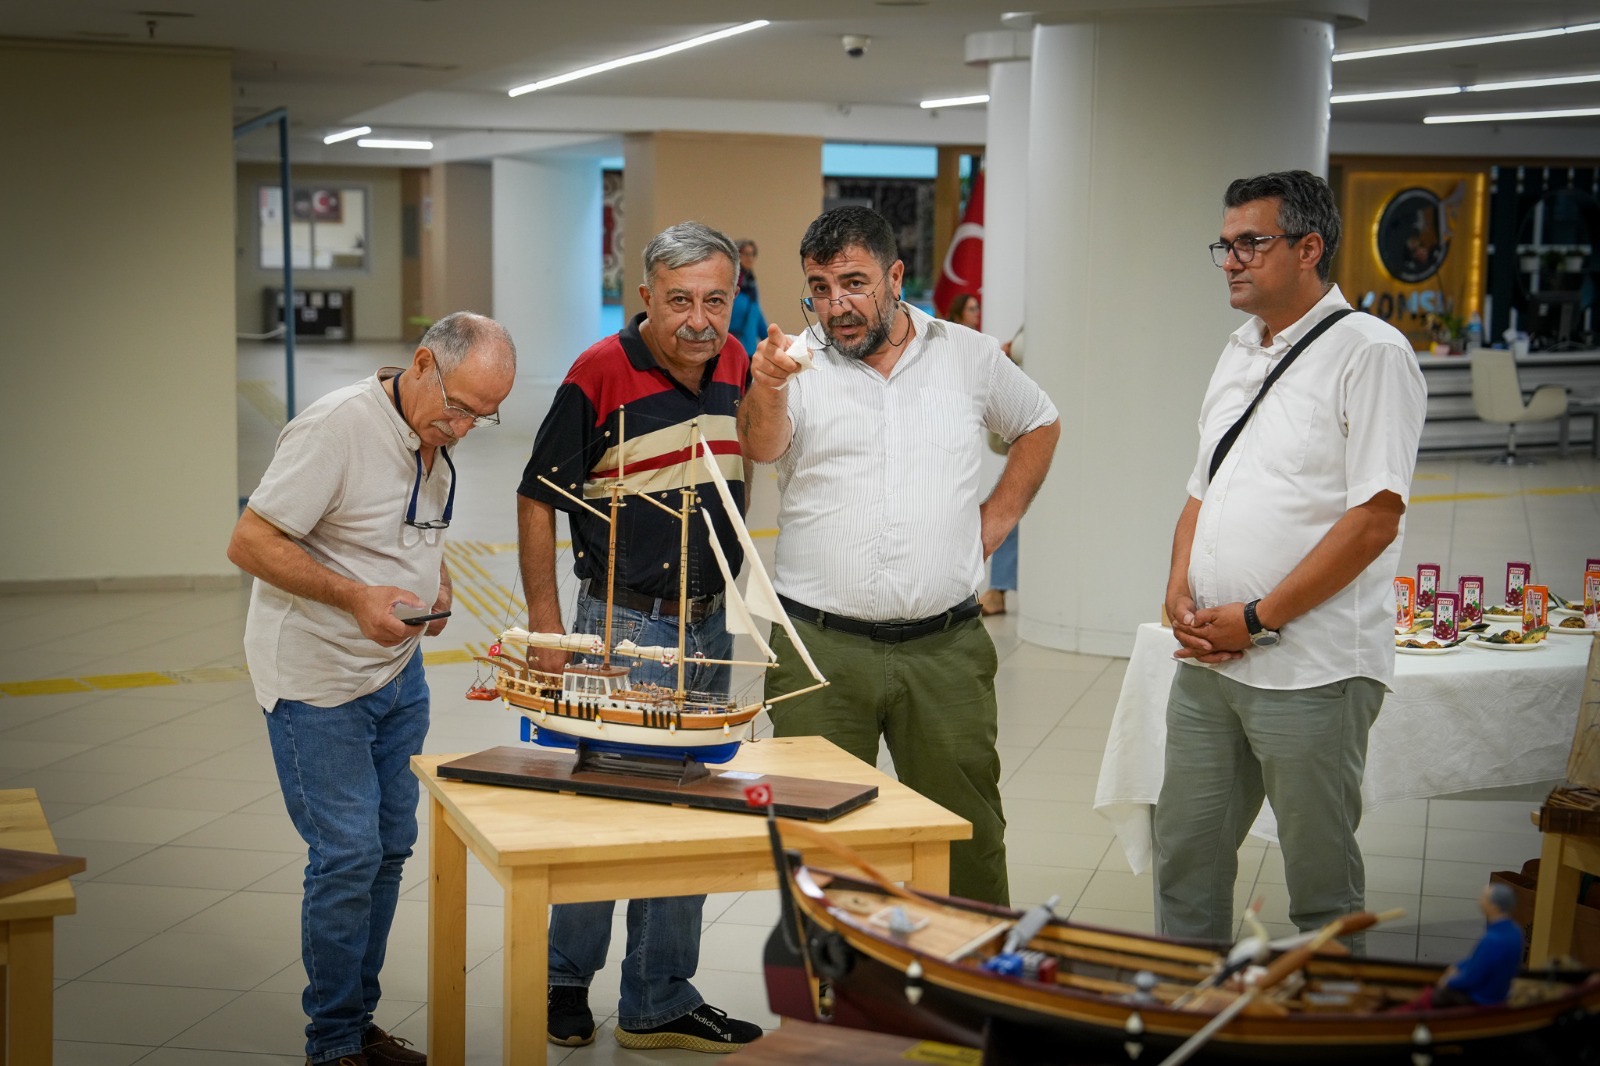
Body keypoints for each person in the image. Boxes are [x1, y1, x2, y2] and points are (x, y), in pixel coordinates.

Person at [739, 205, 1060, 906]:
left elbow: (1039, 422)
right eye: (819, 289)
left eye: (853, 283)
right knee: (817, 844)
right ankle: (831, 1001)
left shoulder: (970, 356)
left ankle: (972, 995)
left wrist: (995, 521)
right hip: (818, 649)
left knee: (964, 834)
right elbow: (761, 448)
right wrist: (766, 386)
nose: (836, 306)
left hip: (943, 648)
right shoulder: (797, 362)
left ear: (894, 276)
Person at [228, 312, 517, 1066]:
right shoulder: (336, 429)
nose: (464, 427)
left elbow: (416, 528)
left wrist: (439, 579)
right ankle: (331, 1044)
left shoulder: (434, 432)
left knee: (390, 850)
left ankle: (358, 1025)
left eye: (484, 417)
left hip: (396, 674)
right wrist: (357, 598)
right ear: (423, 363)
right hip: (317, 682)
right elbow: (250, 541)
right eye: (459, 407)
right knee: (348, 856)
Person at [1154, 171, 1427, 949]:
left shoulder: (1371, 353)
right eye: (1227, 245)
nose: (1232, 260)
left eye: (1251, 243)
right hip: (1208, 660)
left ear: (1309, 248)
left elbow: (1375, 518)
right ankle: (1187, 1006)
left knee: (1318, 882)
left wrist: (1258, 618)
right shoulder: (1238, 352)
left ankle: (1330, 1020)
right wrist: (1179, 586)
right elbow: (1202, 489)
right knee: (1187, 850)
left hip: (1311, 668)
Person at [515, 221, 764, 1055]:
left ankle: (659, 997)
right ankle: (562, 981)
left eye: (717, 300)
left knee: (690, 810)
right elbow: (539, 496)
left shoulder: (736, 362)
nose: (700, 318)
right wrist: (549, 629)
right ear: (646, 299)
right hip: (620, 620)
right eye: (681, 300)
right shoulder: (599, 369)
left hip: (712, 622)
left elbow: (757, 453)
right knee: (608, 810)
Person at [1402, 883, 1524, 1010]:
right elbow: (1477, 961)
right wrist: (1458, 966)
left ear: (1494, 906)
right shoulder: (1514, 931)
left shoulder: (1493, 940)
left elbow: (1472, 978)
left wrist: (1448, 981)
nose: (1480, 900)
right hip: (1499, 992)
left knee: (1432, 996)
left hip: (1483, 997)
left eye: (1484, 898)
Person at [729, 237, 768, 353]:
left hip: (749, 349)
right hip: (732, 349)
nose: (749, 258)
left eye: (752, 254)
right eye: (745, 254)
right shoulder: (730, 284)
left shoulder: (751, 284)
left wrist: (769, 338)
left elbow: (755, 312)